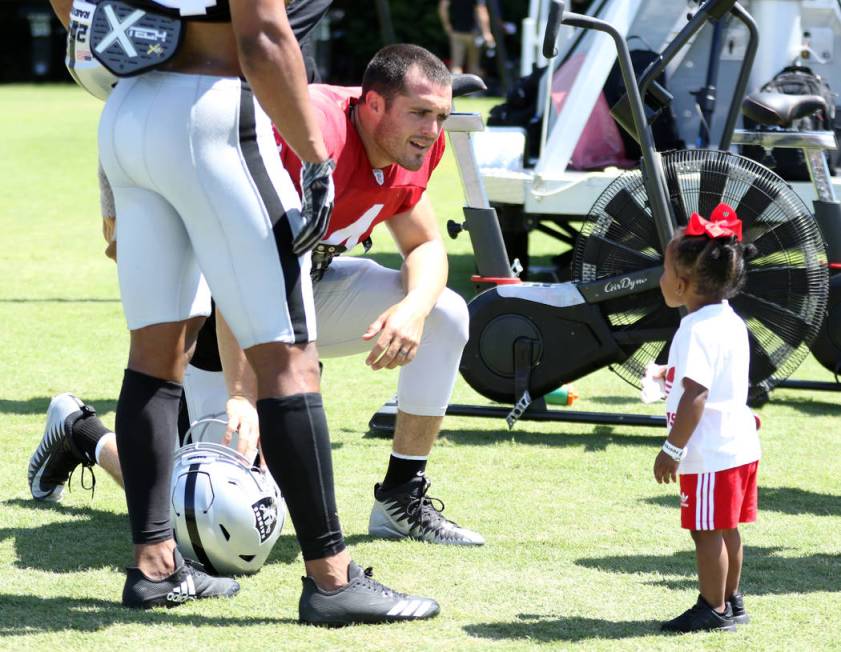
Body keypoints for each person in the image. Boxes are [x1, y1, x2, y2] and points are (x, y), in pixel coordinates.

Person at [39, 0, 439, 624]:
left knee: (156, 351)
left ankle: (155, 567)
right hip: (218, 108)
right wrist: (314, 157)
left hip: (130, 111)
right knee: (289, 356)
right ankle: (332, 581)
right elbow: (263, 34)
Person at [652, 203, 761, 633]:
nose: (659, 279)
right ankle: (731, 600)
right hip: (738, 446)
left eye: (663, 271)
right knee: (727, 526)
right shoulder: (729, 320)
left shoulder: (694, 330)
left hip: (709, 452)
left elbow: (696, 395)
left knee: (706, 532)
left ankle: (712, 607)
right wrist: (667, 375)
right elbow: (711, 381)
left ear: (681, 284)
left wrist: (671, 449)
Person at [437, 0, 495, 76]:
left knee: (456, 66)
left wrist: (447, 26)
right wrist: (486, 32)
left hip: (457, 33)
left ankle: (455, 87)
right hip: (474, 34)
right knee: (474, 67)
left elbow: (443, 8)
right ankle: (476, 87)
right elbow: (482, 12)